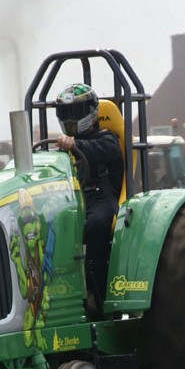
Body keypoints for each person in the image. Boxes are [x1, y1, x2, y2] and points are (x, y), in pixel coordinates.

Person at [54, 83, 123, 318]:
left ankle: (97, 294)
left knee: (96, 225)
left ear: (92, 112)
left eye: (76, 112)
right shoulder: (63, 147)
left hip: (102, 198)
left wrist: (76, 145)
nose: (70, 118)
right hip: (73, 199)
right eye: (66, 113)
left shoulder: (107, 138)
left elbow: (109, 151)